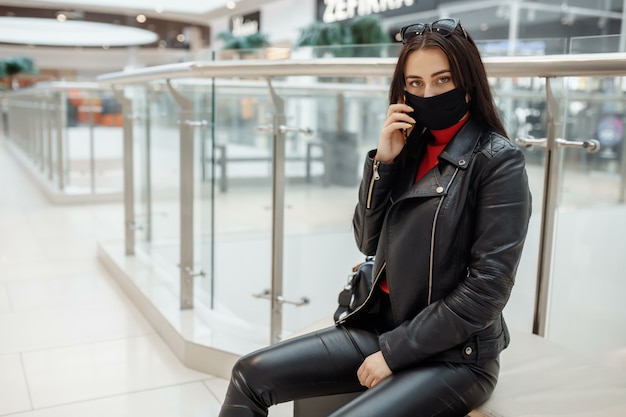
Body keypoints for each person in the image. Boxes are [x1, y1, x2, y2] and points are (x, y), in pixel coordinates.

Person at [218, 17, 532, 417]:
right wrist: (383, 163)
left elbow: (487, 289)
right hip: (380, 326)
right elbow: (367, 240)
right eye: (415, 84)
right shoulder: (409, 146)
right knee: (249, 374)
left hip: (455, 354)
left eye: (443, 80)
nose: (428, 93)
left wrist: (395, 353)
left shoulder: (498, 160)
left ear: (468, 83)